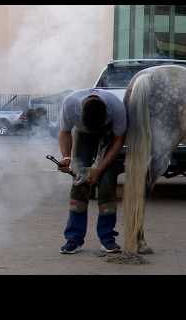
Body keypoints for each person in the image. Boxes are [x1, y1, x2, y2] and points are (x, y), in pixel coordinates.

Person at [57, 88, 126, 254]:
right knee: (79, 183)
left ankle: (107, 238)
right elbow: (65, 132)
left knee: (107, 185)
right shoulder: (70, 104)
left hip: (109, 136)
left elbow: (118, 141)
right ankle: (74, 239)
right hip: (83, 136)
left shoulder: (117, 108)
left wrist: (99, 170)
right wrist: (66, 158)